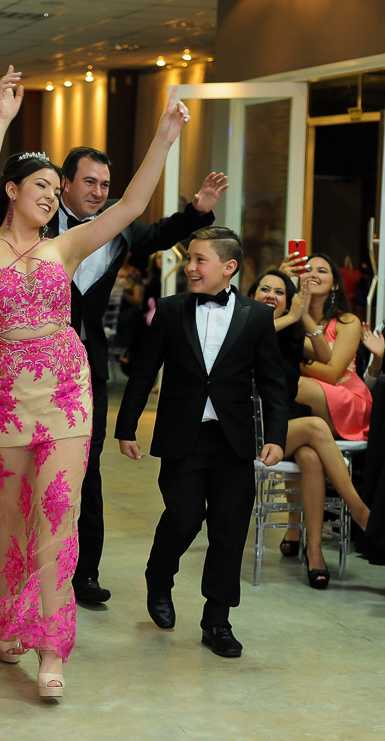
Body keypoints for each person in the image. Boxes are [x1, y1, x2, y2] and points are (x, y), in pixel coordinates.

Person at [0, 69, 191, 695]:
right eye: (41, 185)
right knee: (11, 519)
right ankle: (9, 619)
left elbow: (131, 207)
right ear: (13, 190)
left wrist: (164, 139)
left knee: (59, 514)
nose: (51, 196)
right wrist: (1, 119)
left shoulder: (63, 249)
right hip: (8, 399)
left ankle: (51, 648)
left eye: (54, 188)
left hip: (66, 393)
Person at [38, 150, 226, 608]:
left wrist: (197, 210)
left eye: (105, 185)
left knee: (87, 466)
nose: (98, 192)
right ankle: (34, 565)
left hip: (88, 365)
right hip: (36, 363)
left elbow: (160, 233)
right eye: (89, 182)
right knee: (36, 464)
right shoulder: (36, 223)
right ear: (65, 183)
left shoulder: (117, 226)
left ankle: (85, 573)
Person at [116, 227, 287, 656]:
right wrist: (126, 425)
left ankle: (217, 620)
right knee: (183, 518)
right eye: (189, 259)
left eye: (199, 260)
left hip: (233, 441)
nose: (190, 267)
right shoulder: (170, 310)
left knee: (229, 529)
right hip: (183, 436)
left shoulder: (257, 317)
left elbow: (272, 382)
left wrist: (276, 436)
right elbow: (144, 370)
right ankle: (159, 577)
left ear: (229, 267)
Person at [249, 269, 372, 587]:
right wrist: (291, 315)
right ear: (251, 296)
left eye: (280, 292)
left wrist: (303, 316)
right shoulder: (242, 326)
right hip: (255, 431)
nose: (271, 296)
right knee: (317, 426)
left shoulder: (289, 334)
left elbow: (325, 356)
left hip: (288, 426)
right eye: (264, 289)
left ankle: (314, 550)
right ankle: (359, 510)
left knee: (312, 458)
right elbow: (254, 334)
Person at [291, 253, 373, 440]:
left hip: (347, 398)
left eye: (321, 271)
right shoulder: (291, 320)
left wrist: (291, 360)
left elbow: (332, 374)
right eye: (308, 270)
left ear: (335, 285)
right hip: (308, 403)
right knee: (308, 453)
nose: (313, 274)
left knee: (293, 384)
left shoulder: (347, 322)